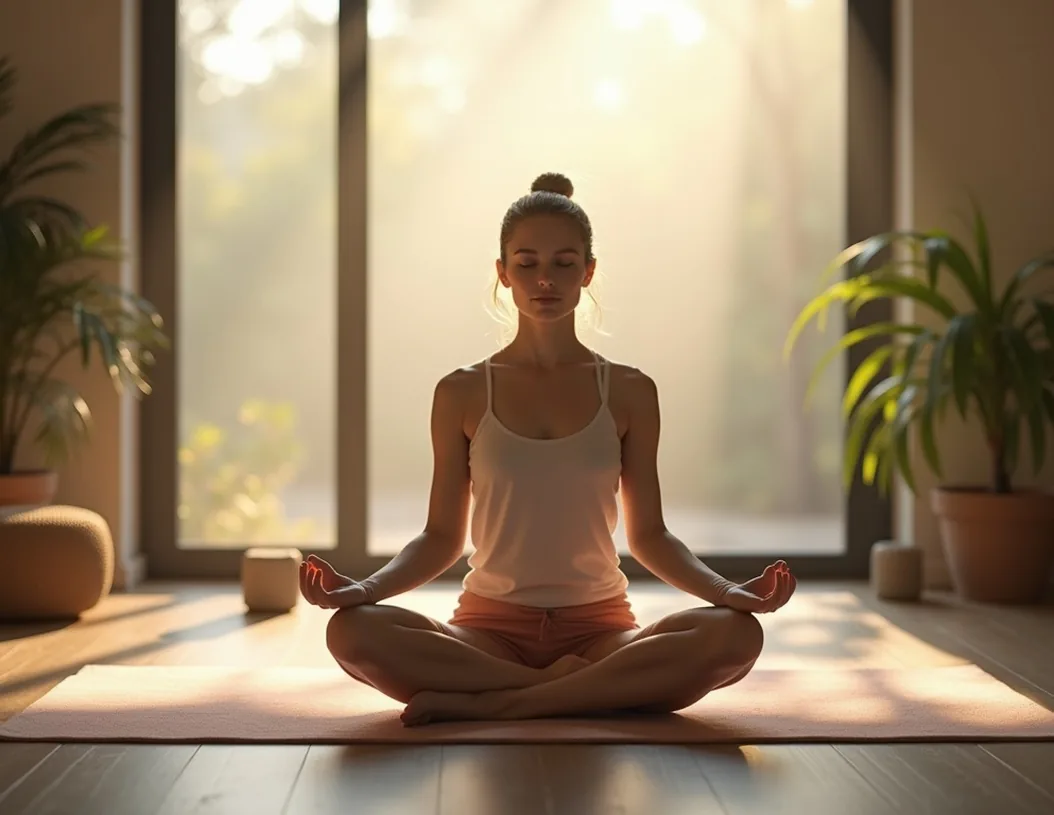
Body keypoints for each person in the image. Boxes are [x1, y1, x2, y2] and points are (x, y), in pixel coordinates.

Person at [300, 172, 797, 727]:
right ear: (503, 273)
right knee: (351, 630)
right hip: (487, 633)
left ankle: (506, 703)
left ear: (588, 272)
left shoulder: (631, 391)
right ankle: (579, 694)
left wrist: (729, 592)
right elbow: (441, 537)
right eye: (527, 262)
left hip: (602, 632)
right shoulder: (461, 391)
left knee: (733, 635)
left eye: (564, 263)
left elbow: (649, 536)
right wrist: (362, 589)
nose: (545, 279)